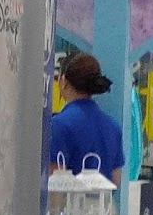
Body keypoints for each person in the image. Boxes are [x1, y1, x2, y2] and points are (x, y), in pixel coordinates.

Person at [48, 53, 125, 183]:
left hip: (70, 196)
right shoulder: (113, 127)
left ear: (63, 81)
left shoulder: (58, 125)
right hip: (104, 196)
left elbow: (55, 180)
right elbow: (116, 179)